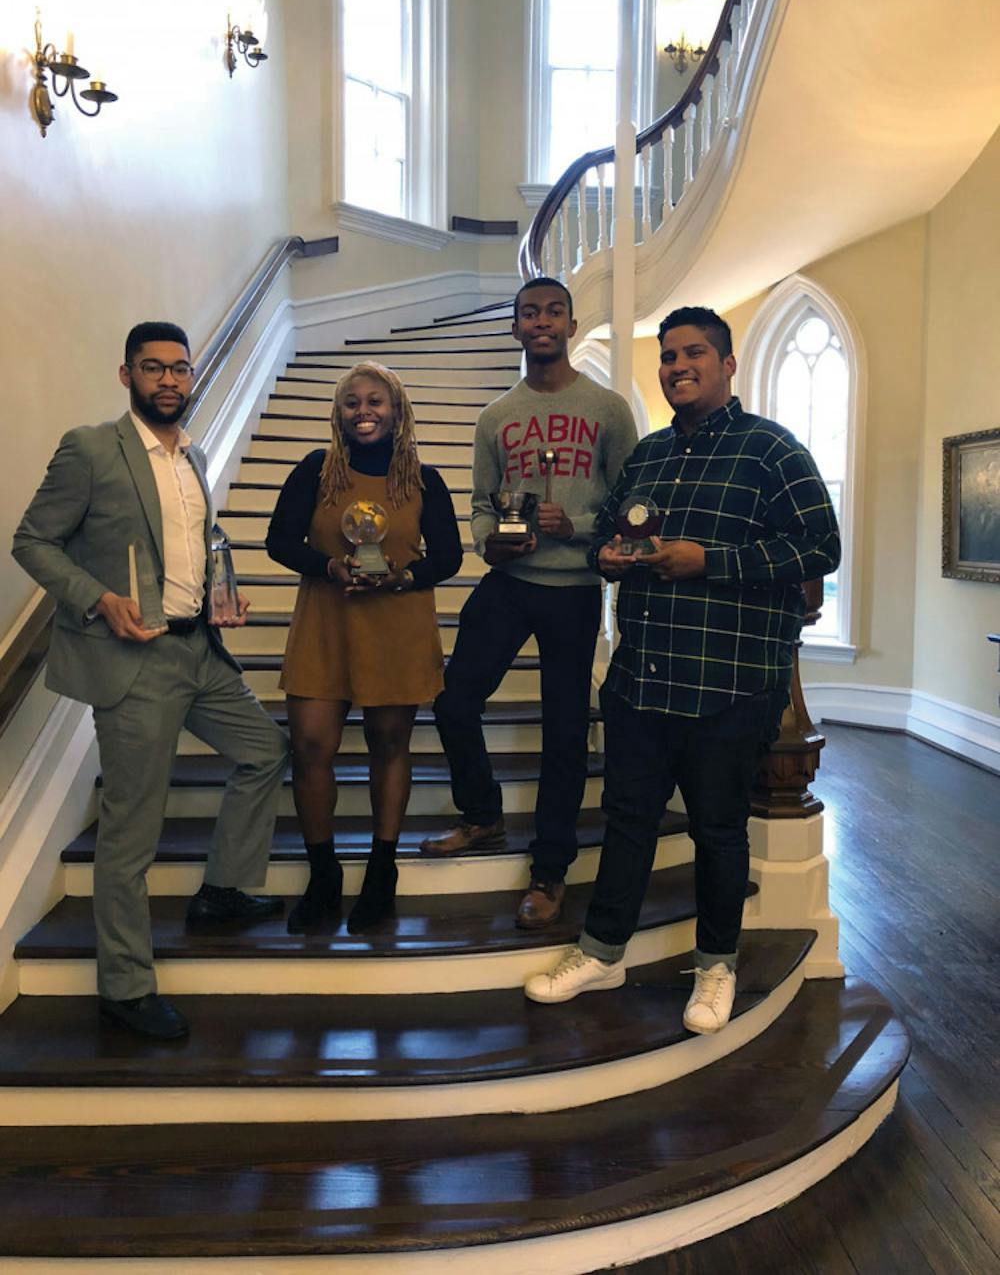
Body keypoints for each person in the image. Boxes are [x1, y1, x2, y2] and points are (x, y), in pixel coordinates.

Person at [525, 307, 840, 1032]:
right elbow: (611, 528)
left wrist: (711, 562)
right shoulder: (651, 454)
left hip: (731, 685)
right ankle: (603, 952)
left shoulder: (772, 451)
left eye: (693, 352)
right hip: (642, 679)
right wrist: (605, 554)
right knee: (628, 821)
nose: (676, 366)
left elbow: (820, 548)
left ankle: (716, 966)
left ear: (728, 365)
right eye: (667, 356)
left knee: (719, 829)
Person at [12, 322, 289, 1041]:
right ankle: (125, 988)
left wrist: (217, 591)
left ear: (193, 377)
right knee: (132, 832)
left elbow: (188, 544)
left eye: (179, 369)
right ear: (126, 374)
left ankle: (224, 889)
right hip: (134, 660)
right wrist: (97, 597)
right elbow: (31, 539)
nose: (169, 380)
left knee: (265, 749)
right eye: (153, 368)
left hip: (200, 650)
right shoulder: (92, 448)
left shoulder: (190, 456)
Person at [422, 278, 638, 929]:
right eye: (528, 313)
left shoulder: (608, 409)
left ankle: (549, 870)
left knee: (566, 733)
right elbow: (482, 508)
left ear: (571, 324)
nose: (540, 322)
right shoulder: (495, 417)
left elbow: (630, 509)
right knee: (454, 697)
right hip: (511, 584)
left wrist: (579, 527)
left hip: (574, 591)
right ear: (514, 328)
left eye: (552, 312)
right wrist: (494, 544)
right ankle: (483, 813)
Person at [265, 361, 462, 934]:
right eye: (352, 402)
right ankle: (322, 875)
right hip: (327, 622)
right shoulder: (315, 471)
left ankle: (382, 871)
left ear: (398, 412)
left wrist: (402, 577)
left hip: (396, 625)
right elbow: (280, 541)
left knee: (389, 744)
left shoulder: (425, 478)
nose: (364, 411)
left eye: (377, 401)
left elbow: (447, 557)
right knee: (309, 746)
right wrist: (328, 565)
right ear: (338, 413)